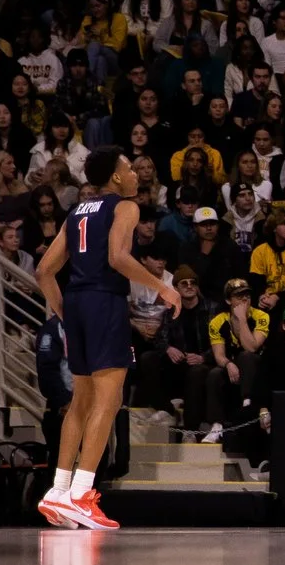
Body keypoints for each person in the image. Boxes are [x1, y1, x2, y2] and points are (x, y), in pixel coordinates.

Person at [34, 148, 179, 529]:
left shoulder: (76, 212)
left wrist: (64, 310)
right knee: (109, 399)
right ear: (116, 177)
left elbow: (44, 271)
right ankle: (82, 493)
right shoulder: (125, 207)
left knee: (80, 402)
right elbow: (117, 257)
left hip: (78, 304)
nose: (135, 173)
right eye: (129, 167)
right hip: (105, 302)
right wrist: (163, 288)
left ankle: (59, 491)